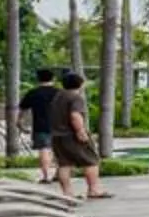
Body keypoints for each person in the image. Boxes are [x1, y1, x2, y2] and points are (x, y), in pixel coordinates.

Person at [49, 70, 107, 201]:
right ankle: (93, 190)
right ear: (80, 84)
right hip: (72, 135)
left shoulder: (58, 96)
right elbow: (75, 115)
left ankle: (67, 193)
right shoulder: (75, 98)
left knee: (64, 164)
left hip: (57, 136)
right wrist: (80, 131)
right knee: (91, 161)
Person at [18, 68, 62, 183]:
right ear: (53, 78)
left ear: (38, 79)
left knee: (43, 150)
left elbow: (23, 109)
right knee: (59, 151)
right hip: (59, 126)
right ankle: (58, 174)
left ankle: (46, 176)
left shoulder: (33, 93)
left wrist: (19, 122)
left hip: (40, 126)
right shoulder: (59, 92)